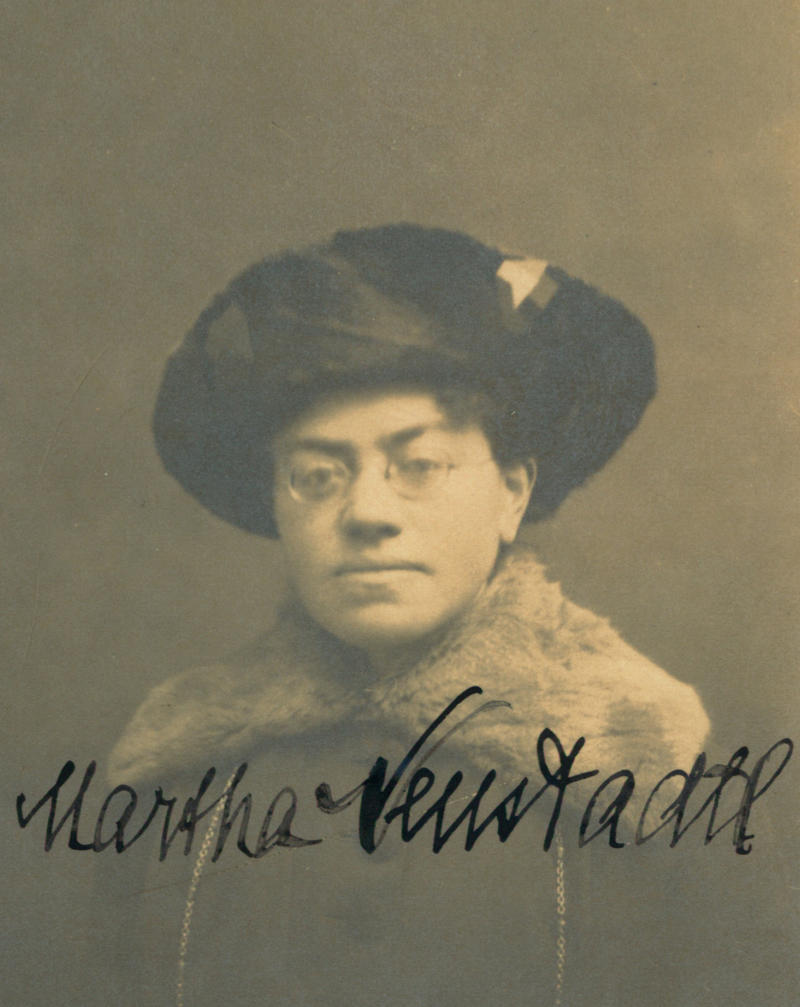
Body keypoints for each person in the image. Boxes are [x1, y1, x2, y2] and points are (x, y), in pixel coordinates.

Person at [107, 224, 711, 1005]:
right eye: (317, 475)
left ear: (513, 492)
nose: (367, 512)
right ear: (277, 505)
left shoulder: (649, 775)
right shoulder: (178, 778)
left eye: (419, 465)